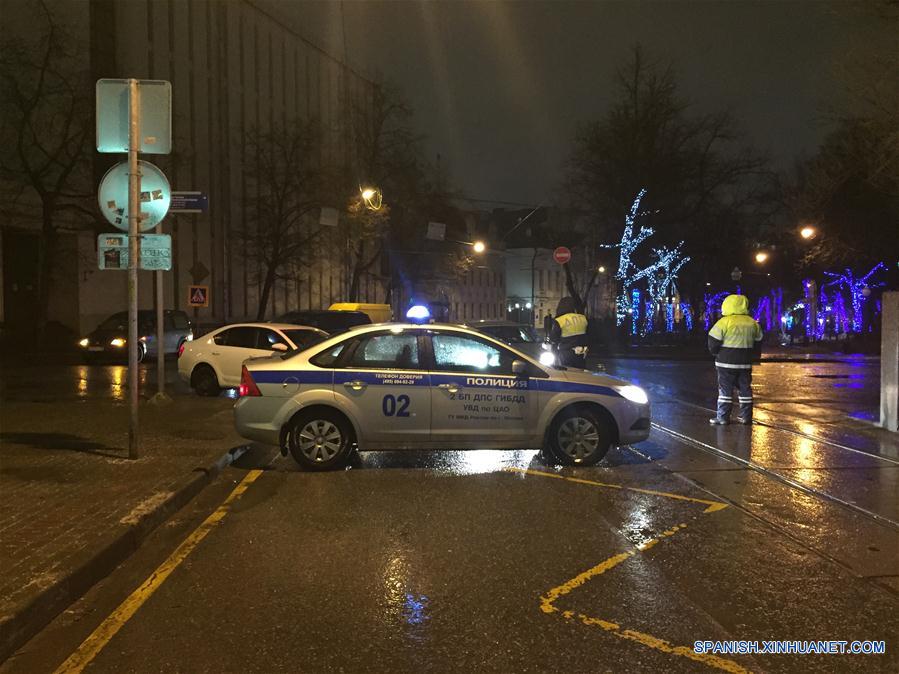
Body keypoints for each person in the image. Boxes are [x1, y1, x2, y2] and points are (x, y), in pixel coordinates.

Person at [707, 294, 763, 425]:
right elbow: (758, 342)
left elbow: (713, 342)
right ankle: (746, 417)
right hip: (745, 363)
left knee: (725, 391)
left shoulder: (723, 322)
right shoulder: (753, 323)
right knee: (745, 390)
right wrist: (753, 356)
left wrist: (716, 353)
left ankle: (723, 417)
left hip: (725, 363)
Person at [549, 297, 588, 368]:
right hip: (581, 352)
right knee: (580, 374)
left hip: (566, 353)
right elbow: (589, 335)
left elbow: (554, 339)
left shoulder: (560, 320)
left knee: (567, 374)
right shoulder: (583, 318)